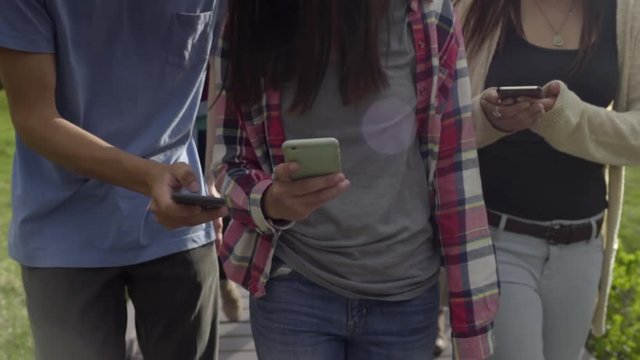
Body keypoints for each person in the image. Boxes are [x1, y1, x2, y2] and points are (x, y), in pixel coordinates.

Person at [212, 0, 499, 359]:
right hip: (295, 287)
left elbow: (454, 171)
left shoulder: (427, 14)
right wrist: (268, 200)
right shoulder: (255, 15)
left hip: (405, 295)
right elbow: (228, 163)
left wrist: (472, 336)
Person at [0, 1, 227, 359]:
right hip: (62, 232)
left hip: (176, 225)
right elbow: (34, 117)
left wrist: (215, 170)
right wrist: (149, 177)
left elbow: (222, 71)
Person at [454, 0, 640, 359]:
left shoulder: (626, 13)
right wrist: (489, 118)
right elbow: (437, 127)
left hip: (583, 246)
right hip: (494, 239)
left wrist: (570, 119)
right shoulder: (474, 9)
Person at [195, 64, 243, 322]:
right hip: (177, 125)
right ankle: (223, 281)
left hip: (211, 121)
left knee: (218, 207)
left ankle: (225, 280)